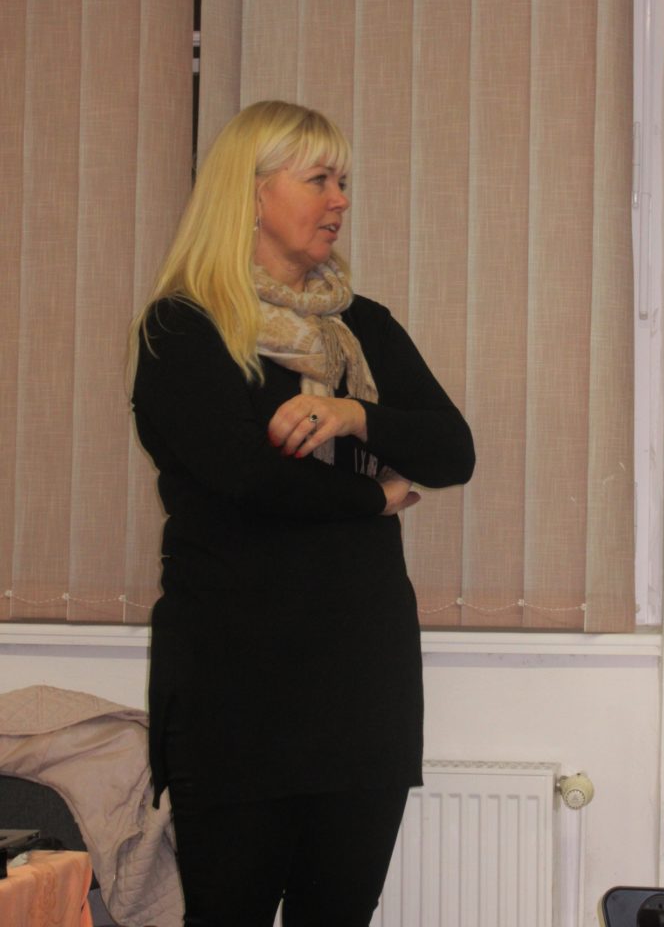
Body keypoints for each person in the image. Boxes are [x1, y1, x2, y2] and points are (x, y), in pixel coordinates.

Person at [128, 100, 475, 927]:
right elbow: (247, 480)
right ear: (252, 193)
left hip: (361, 687)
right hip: (235, 691)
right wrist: (373, 497)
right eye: (319, 179)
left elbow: (452, 451)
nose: (340, 199)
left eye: (342, 181)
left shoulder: (364, 329)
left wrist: (355, 416)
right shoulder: (184, 329)